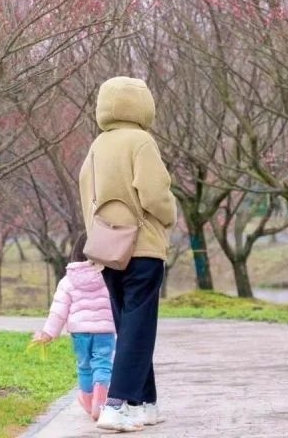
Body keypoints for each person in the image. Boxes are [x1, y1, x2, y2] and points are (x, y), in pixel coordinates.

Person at [80, 76, 177, 433]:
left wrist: (97, 232)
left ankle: (144, 404)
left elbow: (86, 192)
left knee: (131, 325)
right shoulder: (141, 141)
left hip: (108, 248)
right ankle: (116, 405)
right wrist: (170, 214)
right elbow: (154, 194)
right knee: (139, 326)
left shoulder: (98, 144)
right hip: (142, 246)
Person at [33, 233, 116, 421]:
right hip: (104, 331)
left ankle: (88, 402)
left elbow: (58, 311)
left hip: (80, 333)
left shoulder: (68, 280)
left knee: (84, 367)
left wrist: (48, 333)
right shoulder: (110, 276)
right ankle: (100, 404)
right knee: (103, 364)